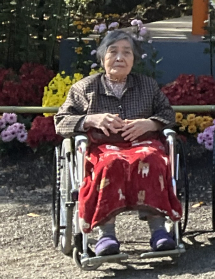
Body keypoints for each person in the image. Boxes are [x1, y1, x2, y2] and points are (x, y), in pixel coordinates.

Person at [55, 30, 181, 256]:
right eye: (113, 52)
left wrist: (150, 124)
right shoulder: (85, 88)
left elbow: (168, 114)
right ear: (103, 57)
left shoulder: (147, 85)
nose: (120, 58)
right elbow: (61, 121)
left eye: (127, 53)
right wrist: (91, 119)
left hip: (142, 145)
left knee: (150, 159)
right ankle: (107, 234)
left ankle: (159, 230)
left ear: (134, 59)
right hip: (103, 149)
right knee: (110, 163)